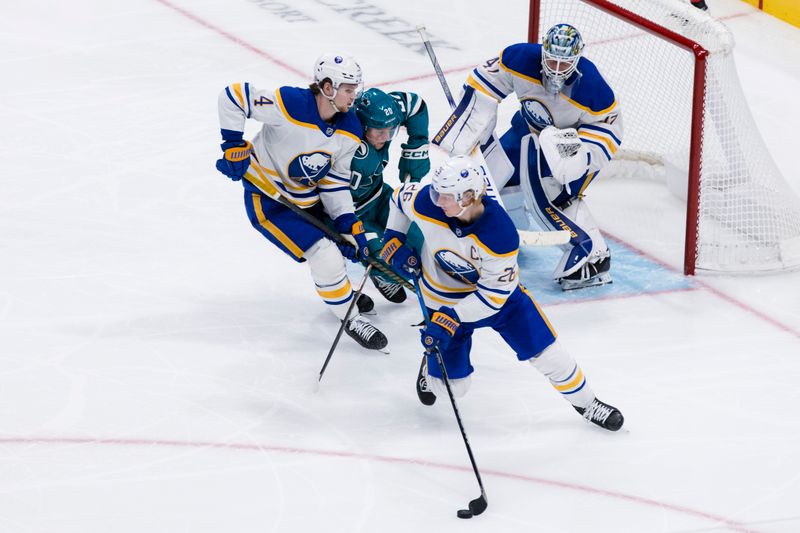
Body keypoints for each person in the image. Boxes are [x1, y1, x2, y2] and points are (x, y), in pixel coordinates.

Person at [380, 155, 623, 431]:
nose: (437, 199)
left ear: (469, 197)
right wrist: (394, 236)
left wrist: (453, 317)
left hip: (501, 302)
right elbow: (398, 198)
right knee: (452, 388)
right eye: (437, 193)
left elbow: (493, 296)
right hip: (443, 298)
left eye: (446, 196)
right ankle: (430, 364)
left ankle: (587, 403)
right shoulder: (428, 202)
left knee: (549, 354)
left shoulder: (500, 234)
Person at [214, 53, 388, 352]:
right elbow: (234, 95)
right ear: (328, 87)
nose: (353, 96)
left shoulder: (350, 129)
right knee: (325, 256)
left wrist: (347, 223)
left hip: (311, 202)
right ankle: (350, 315)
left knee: (348, 244)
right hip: (269, 201)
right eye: (349, 89)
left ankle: (340, 293)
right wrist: (233, 146)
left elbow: (334, 182)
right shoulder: (290, 104)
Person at [433, 24, 624, 291]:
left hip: (571, 142)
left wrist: (577, 157)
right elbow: (484, 84)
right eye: (552, 60)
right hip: (528, 131)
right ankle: (507, 232)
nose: (556, 69)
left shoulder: (592, 88)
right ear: (543, 51)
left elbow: (609, 127)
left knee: (554, 193)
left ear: (577, 59)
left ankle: (593, 255)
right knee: (493, 174)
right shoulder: (520, 59)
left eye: (564, 62)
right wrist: (471, 126)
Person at [349, 87, 428, 303]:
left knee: (420, 237)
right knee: (384, 257)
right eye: (379, 132)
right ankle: (378, 278)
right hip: (350, 215)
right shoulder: (343, 144)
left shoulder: (384, 115)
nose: (386, 137)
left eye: (391, 130)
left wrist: (417, 148)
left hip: (380, 197)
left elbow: (414, 104)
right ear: (362, 126)